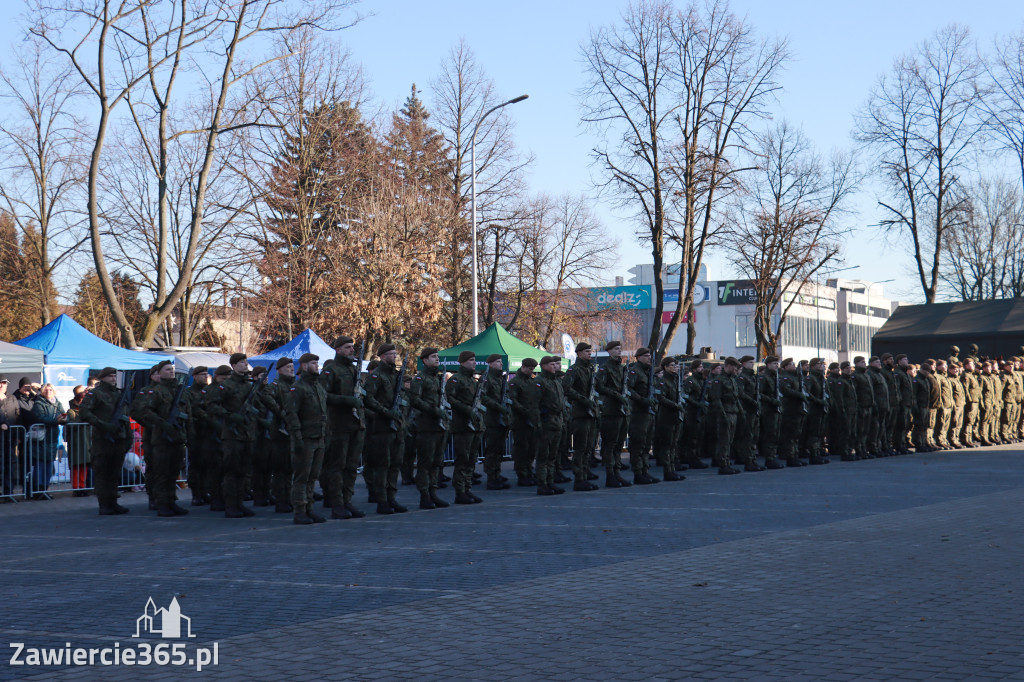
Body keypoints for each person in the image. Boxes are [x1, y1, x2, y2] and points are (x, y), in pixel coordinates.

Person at [133, 360, 189, 517]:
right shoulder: (155, 391)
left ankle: (172, 501)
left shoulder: (179, 390)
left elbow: (187, 413)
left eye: (172, 369)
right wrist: (161, 424)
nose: (171, 371)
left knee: (173, 472)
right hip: (161, 438)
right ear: (158, 372)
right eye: (166, 369)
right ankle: (162, 503)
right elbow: (143, 411)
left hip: (177, 437)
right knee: (161, 472)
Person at [205, 354, 258, 518]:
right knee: (232, 471)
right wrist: (229, 415)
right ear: (233, 366)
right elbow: (211, 404)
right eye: (242, 362)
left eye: (246, 362)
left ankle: (239, 503)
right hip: (232, 434)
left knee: (243, 471)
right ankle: (231, 506)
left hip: (246, 433)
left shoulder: (248, 385)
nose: (245, 365)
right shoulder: (227, 386)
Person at [80, 367, 133, 514]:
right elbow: (84, 412)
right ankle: (104, 504)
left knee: (114, 473)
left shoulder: (118, 394)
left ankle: (113, 501)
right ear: (102, 378)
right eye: (110, 376)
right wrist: (103, 425)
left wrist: (128, 436)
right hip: (102, 439)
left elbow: (125, 418)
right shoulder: (95, 394)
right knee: (102, 472)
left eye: (114, 376)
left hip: (118, 438)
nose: (113, 379)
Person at [286, 353, 328, 525]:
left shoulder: (317, 387)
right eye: (313, 363)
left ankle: (309, 509)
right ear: (303, 366)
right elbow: (292, 414)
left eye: (317, 363)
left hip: (319, 437)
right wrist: (297, 437)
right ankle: (299, 511)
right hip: (305, 438)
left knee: (313, 476)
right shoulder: (299, 388)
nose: (316, 365)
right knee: (302, 477)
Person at [407, 347, 451, 509]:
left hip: (439, 426)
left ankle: (433, 493)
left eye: (437, 356)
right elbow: (415, 400)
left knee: (436, 463)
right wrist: (433, 410)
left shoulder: (437, 379)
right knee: (425, 463)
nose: (437, 359)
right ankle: (424, 496)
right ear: (424, 360)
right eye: (433, 357)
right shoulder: (420, 379)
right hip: (426, 425)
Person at [445, 350, 485, 504]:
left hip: (474, 425)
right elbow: (451, 399)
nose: (474, 363)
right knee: (462, 460)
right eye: (470, 360)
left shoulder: (472, 381)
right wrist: (467, 409)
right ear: (462, 362)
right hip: (462, 425)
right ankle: (460, 492)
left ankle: (467, 489)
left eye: (474, 360)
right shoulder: (456, 380)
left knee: (471, 460)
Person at [594, 341, 632, 486]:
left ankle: (617, 473)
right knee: (610, 445)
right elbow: (600, 387)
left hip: (622, 410)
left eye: (620, 349)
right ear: (609, 351)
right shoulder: (605, 368)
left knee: (618, 446)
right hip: (611, 410)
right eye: (616, 349)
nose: (619, 351)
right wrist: (617, 395)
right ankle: (610, 475)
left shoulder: (622, 368)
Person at [627, 347, 659, 484]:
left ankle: (645, 471)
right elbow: (628, 389)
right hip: (638, 412)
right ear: (638, 357)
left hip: (649, 412)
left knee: (646, 444)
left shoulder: (648, 372)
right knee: (638, 444)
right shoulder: (635, 372)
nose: (649, 358)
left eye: (649, 356)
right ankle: (638, 473)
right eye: (646, 356)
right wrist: (641, 399)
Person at [535, 356, 567, 496]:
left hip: (557, 422)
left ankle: (550, 482)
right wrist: (538, 423)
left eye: (555, 364)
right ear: (543, 366)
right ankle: (542, 484)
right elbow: (534, 405)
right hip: (546, 422)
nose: (555, 366)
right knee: (544, 456)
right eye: (552, 364)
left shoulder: (556, 381)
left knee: (553, 456)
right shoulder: (539, 382)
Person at [28, 383, 66, 498]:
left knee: (49, 465)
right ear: (42, 391)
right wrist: (56, 420)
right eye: (46, 390)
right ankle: (38, 491)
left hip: (52, 438)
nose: (48, 391)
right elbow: (41, 418)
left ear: (54, 391)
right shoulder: (38, 403)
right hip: (41, 439)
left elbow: (63, 415)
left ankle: (45, 489)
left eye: (50, 390)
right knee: (40, 465)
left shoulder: (57, 403)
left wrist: (64, 419)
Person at [508, 357, 541, 487]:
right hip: (520, 420)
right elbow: (513, 401)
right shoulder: (515, 382)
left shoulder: (531, 382)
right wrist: (526, 412)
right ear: (523, 367)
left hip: (531, 420)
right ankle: (522, 474)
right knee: (522, 449)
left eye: (532, 369)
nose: (531, 371)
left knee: (531, 449)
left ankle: (528, 471)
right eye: (529, 369)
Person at [480, 354, 511, 490]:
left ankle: (497, 474)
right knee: (492, 450)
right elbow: (483, 397)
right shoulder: (487, 378)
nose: (500, 364)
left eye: (500, 362)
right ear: (490, 364)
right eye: (498, 362)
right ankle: (491, 477)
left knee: (499, 450)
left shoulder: (500, 379)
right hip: (492, 419)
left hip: (501, 419)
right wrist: (498, 406)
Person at [708, 357, 742, 475]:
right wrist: (722, 415)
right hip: (725, 412)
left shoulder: (732, 380)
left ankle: (727, 462)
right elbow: (716, 399)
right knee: (724, 440)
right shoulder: (719, 380)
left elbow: (736, 397)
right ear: (728, 366)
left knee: (729, 440)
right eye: (734, 367)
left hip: (733, 411)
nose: (736, 369)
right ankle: (723, 464)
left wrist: (740, 412)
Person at [652, 356, 685, 481]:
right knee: (667, 445)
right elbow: (661, 398)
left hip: (675, 416)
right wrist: (675, 405)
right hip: (666, 416)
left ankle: (672, 469)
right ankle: (667, 470)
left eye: (676, 365)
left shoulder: (675, 380)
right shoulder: (663, 381)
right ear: (665, 367)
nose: (675, 368)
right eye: (672, 365)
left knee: (673, 444)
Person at [184, 366, 212, 506]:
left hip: (208, 433)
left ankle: (205, 491)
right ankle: (196, 493)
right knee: (196, 465)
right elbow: (192, 409)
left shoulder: (208, 392)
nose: (205, 377)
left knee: (207, 463)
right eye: (202, 374)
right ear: (195, 376)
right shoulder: (189, 392)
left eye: (207, 374)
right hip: (196, 432)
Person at [732, 355, 763, 472]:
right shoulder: (742, 378)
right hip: (746, 410)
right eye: (750, 362)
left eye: (753, 362)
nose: (752, 364)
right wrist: (753, 401)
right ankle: (748, 461)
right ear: (743, 363)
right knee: (748, 437)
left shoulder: (753, 377)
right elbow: (741, 393)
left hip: (754, 410)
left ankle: (753, 459)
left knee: (754, 436)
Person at [778, 358, 807, 467]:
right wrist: (800, 395)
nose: (794, 366)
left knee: (796, 434)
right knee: (790, 435)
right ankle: (790, 457)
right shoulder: (784, 377)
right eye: (791, 364)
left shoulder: (795, 376)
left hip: (797, 409)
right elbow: (786, 390)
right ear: (785, 367)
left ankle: (795, 455)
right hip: (790, 409)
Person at [757, 357, 785, 469]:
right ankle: (769, 458)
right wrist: (772, 401)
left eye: (777, 364)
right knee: (769, 435)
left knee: (775, 434)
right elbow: (760, 394)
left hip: (776, 410)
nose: (776, 365)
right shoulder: (764, 377)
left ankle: (772, 456)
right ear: (768, 364)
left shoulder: (775, 377)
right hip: (768, 410)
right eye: (774, 363)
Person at [64, 385, 91, 495]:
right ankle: (76, 488)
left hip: (86, 441)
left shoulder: (87, 409)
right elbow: (71, 424)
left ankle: (82, 486)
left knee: (84, 465)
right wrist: (83, 418)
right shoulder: (71, 410)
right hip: (76, 442)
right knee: (76, 466)